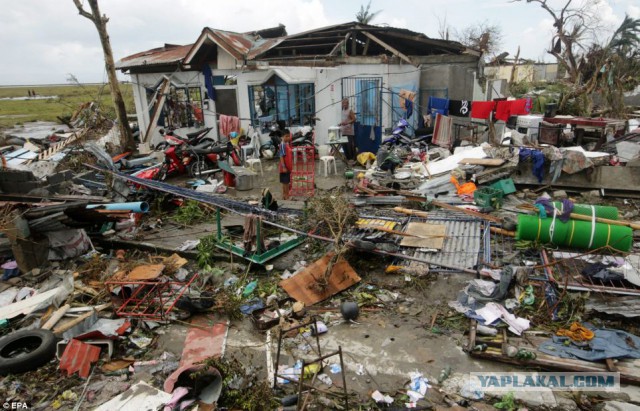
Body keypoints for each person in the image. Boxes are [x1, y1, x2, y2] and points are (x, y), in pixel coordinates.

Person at [278, 129, 293, 200]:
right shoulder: (283, 145)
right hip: (285, 167)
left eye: (288, 136)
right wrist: (284, 167)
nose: (288, 138)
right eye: (286, 136)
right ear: (282, 137)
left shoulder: (286, 144)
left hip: (287, 167)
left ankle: (285, 195)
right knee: (285, 183)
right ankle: (286, 196)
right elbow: (281, 156)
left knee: (285, 182)